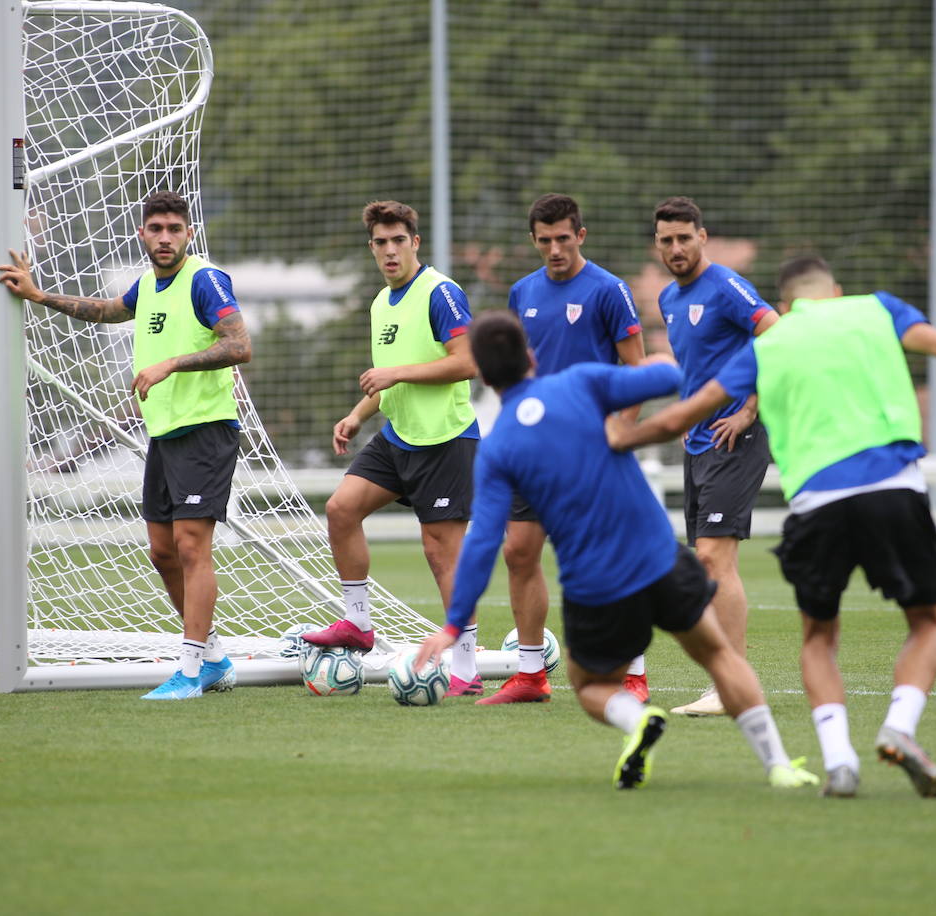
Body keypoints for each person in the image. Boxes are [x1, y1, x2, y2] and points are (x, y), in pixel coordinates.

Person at [607, 255, 936, 797]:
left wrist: (615, 441)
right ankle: (899, 728)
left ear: (785, 305)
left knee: (819, 638)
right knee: (928, 622)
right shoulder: (877, 311)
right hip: (893, 488)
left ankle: (840, 759)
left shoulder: (769, 344)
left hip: (817, 501)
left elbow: (688, 412)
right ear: (838, 291)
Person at [414, 311, 820, 791]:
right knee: (718, 655)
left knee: (588, 685)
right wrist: (666, 360)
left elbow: (483, 544)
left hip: (596, 585)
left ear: (481, 374)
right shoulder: (581, 383)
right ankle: (777, 764)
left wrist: (455, 625)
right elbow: (669, 376)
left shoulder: (499, 447)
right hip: (658, 558)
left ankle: (636, 720)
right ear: (530, 356)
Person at [0, 191, 252, 700]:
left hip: (206, 430)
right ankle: (215, 658)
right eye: (155, 229)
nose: (164, 238)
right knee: (162, 552)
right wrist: (39, 294)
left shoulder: (204, 280)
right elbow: (110, 310)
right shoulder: (149, 286)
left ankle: (190, 669)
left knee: (191, 546)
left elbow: (239, 345)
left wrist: (171, 363)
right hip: (165, 434)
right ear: (142, 234)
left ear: (188, 234)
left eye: (173, 229)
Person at [302, 201, 484, 694]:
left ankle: (466, 671)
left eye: (397, 240)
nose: (389, 250)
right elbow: (389, 381)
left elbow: (467, 362)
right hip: (397, 438)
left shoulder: (440, 292)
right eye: (380, 243)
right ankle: (358, 624)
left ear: (415, 243)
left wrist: (395, 374)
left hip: (445, 440)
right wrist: (357, 415)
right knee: (341, 509)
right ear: (372, 248)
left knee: (440, 553)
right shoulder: (381, 302)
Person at [479, 192, 650, 706]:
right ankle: (530, 675)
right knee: (519, 553)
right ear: (533, 239)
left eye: (563, 238)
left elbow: (637, 373)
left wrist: (618, 432)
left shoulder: (608, 290)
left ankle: (633, 675)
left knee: (606, 560)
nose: (555, 249)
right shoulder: (521, 292)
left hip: (590, 451)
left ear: (581, 235)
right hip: (533, 451)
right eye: (545, 240)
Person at [652, 196, 778, 717]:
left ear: (703, 237)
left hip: (737, 437)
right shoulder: (666, 299)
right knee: (705, 565)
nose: (676, 248)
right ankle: (726, 684)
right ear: (657, 244)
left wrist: (750, 408)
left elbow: (776, 333)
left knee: (713, 558)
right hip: (701, 441)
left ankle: (732, 687)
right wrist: (686, 415)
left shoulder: (726, 285)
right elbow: (698, 365)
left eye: (685, 237)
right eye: (667, 240)